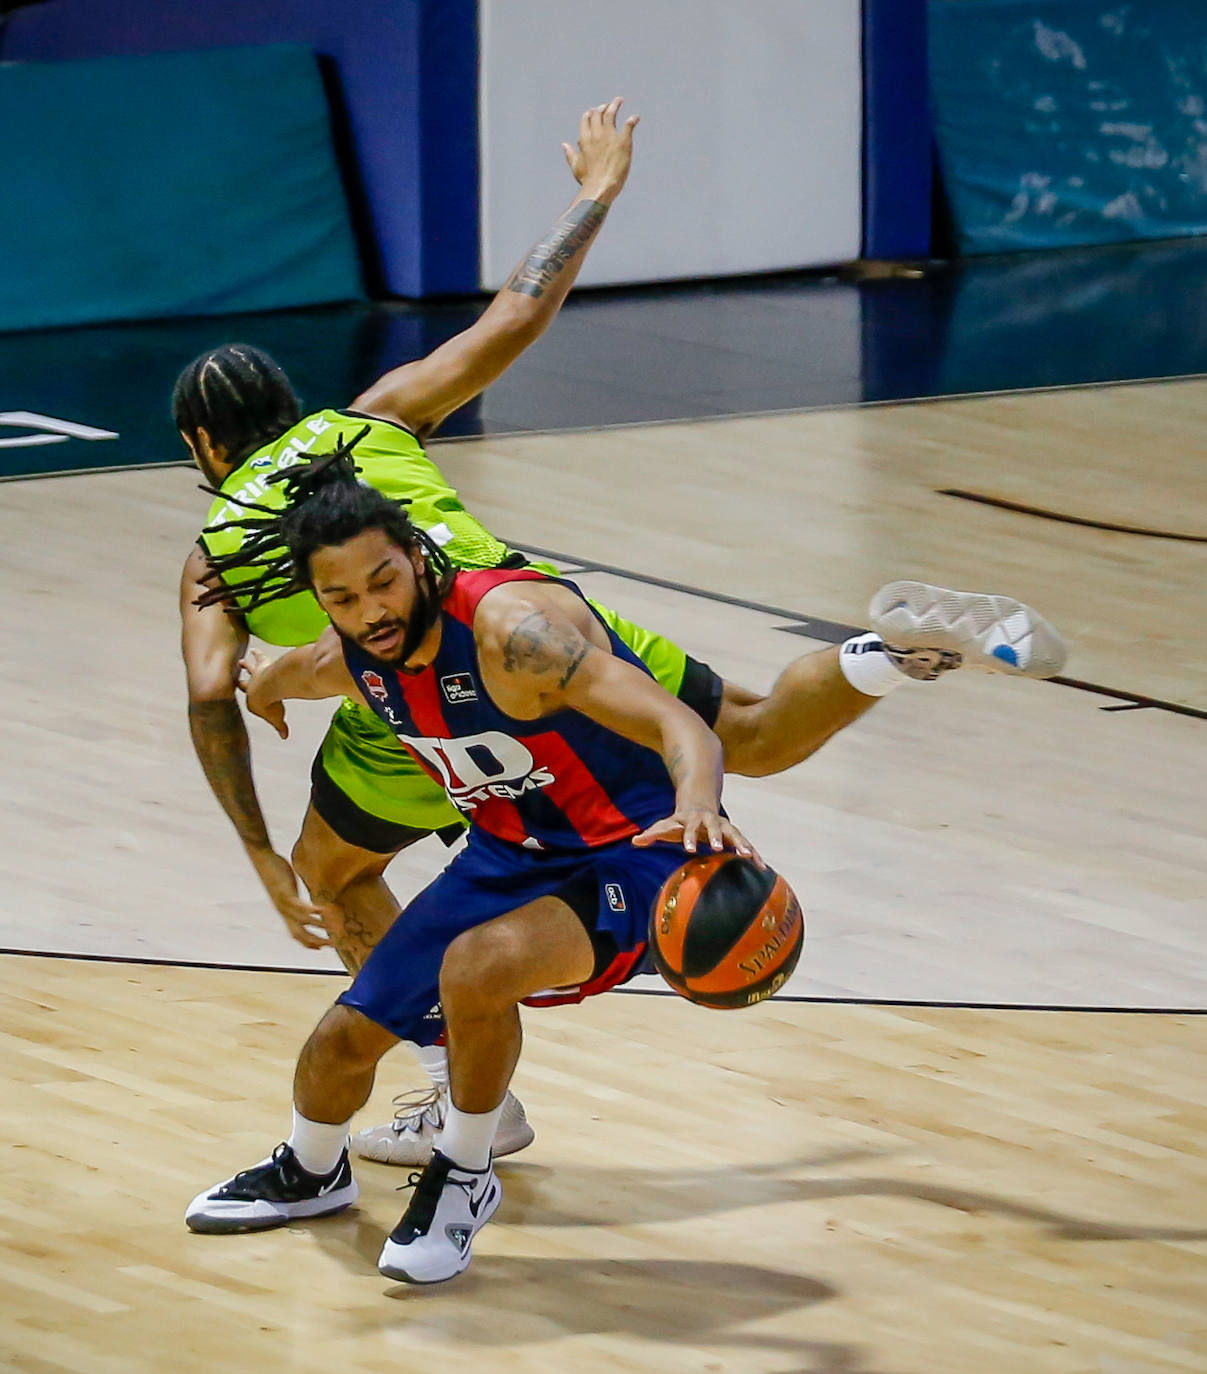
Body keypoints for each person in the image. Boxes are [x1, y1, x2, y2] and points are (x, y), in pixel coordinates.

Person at [176, 98, 1067, 1168]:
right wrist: (597, 190)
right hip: (534, 628)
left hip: (405, 721)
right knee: (752, 735)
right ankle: (876, 658)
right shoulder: (375, 415)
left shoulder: (213, 551)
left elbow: (211, 699)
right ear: (289, 403)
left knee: (332, 871)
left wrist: (260, 835)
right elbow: (515, 316)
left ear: (203, 447)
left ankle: (456, 1098)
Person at [185, 449, 762, 1283]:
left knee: (477, 967)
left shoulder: (512, 638)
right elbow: (293, 672)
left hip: (633, 852)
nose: (370, 611)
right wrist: (263, 688)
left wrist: (699, 803)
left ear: (418, 560)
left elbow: (682, 725)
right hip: (506, 856)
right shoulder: (355, 656)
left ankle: (463, 1174)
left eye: (383, 582)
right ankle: (312, 1171)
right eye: (342, 598)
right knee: (338, 1046)